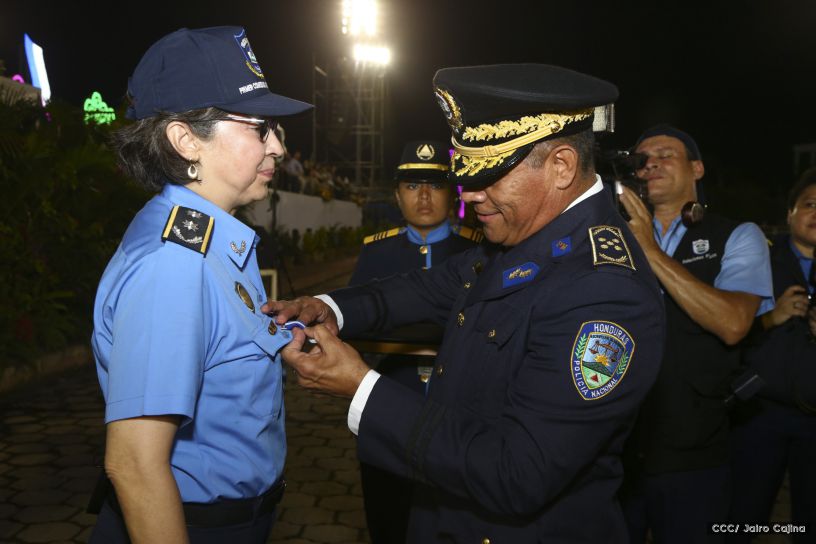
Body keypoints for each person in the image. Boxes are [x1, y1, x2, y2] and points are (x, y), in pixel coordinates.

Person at [270, 64, 666, 542]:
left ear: (561, 166)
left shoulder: (605, 291)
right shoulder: (523, 237)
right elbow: (425, 290)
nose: (470, 195)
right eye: (467, 176)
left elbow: (516, 472)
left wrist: (361, 388)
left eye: (491, 175)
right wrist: (329, 306)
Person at [88, 26, 311, 544]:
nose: (277, 146)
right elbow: (136, 465)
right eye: (260, 127)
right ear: (186, 139)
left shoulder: (211, 243)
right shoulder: (176, 266)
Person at [617, 125, 774, 543]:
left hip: (693, 452)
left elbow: (734, 323)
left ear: (697, 168)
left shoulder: (738, 235)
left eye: (666, 155)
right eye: (641, 159)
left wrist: (648, 250)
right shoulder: (608, 239)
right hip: (614, 447)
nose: (650, 163)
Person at [350, 139, 482, 544]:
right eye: (412, 185)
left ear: (452, 192)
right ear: (396, 194)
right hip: (389, 407)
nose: (423, 195)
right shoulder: (376, 253)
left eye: (435, 184)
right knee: (387, 521)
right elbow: (354, 331)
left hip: (458, 416)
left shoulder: (479, 250)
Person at [728, 168, 816, 541]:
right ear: (790, 214)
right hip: (762, 413)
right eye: (810, 204)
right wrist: (771, 317)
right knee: (745, 515)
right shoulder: (757, 259)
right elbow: (729, 332)